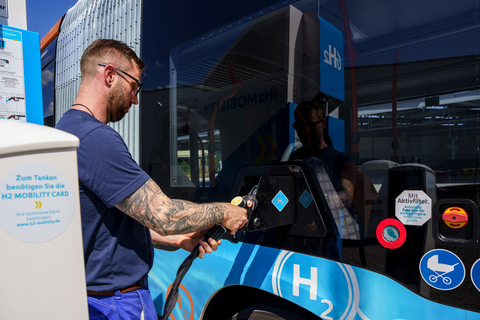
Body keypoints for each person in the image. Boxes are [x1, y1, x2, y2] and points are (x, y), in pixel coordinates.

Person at [55, 39, 248, 320]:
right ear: (109, 75)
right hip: (118, 303)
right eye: (134, 86)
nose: (135, 98)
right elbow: (164, 215)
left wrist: (181, 238)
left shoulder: (66, 131)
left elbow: (110, 226)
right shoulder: (96, 138)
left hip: (97, 299)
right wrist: (226, 211)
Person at [289, 98, 360, 258]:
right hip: (293, 240)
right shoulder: (291, 160)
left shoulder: (342, 160)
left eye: (310, 125)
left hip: (324, 242)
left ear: (323, 123)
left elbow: (346, 197)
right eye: (300, 126)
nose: (305, 130)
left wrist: (313, 211)